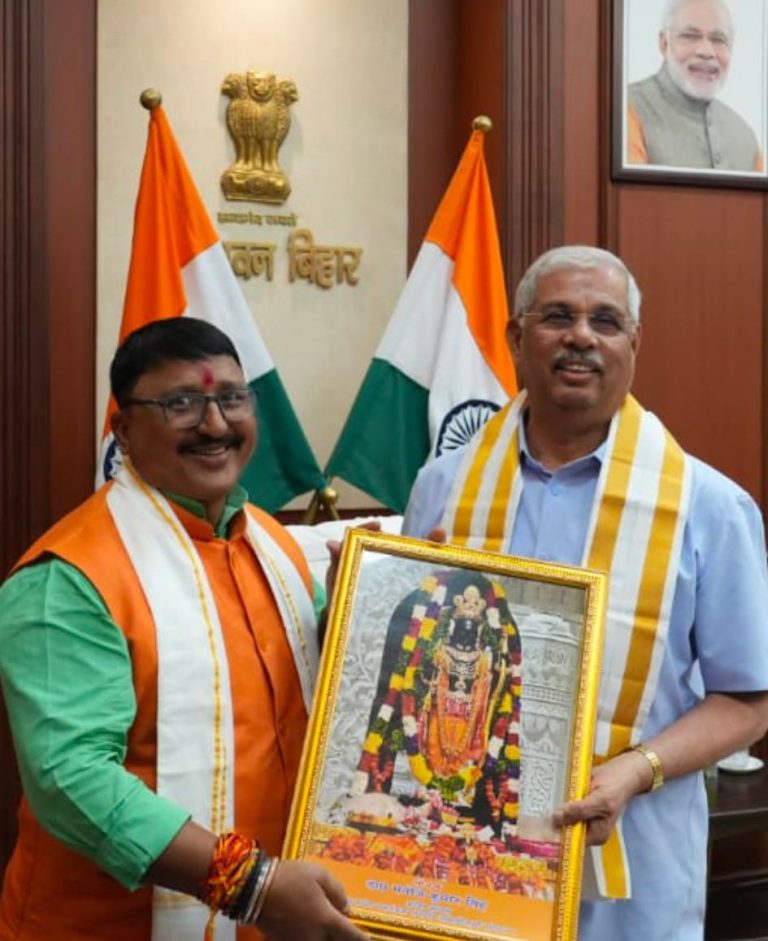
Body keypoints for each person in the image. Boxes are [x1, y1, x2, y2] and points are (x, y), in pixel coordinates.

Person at [403, 244, 768, 939]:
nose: (581, 336)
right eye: (557, 317)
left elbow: (749, 702)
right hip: (460, 857)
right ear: (516, 338)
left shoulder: (709, 507)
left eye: (605, 320)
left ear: (635, 342)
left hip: (632, 863)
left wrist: (636, 769)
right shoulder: (442, 486)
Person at [0, 318, 368, 941]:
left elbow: (303, 695)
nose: (216, 424)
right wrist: (251, 886)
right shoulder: (68, 578)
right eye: (182, 404)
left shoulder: (273, 543)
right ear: (123, 430)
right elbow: (71, 780)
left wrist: (375, 614)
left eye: (232, 398)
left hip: (281, 913)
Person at [350, 570, 522, 840]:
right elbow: (411, 683)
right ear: (450, 627)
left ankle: (454, 801)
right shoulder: (437, 653)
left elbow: (497, 690)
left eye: (472, 627)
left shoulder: (485, 660)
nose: (466, 632)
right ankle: (427, 797)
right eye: (461, 626)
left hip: (469, 725)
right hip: (434, 719)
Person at [627, 0, 764, 172]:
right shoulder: (627, 109)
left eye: (718, 40)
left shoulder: (745, 138)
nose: (706, 52)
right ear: (664, 44)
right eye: (690, 36)